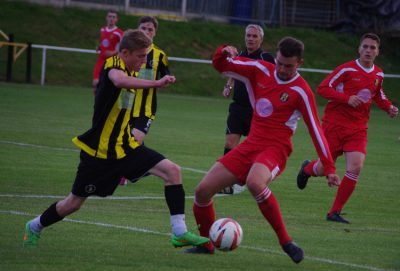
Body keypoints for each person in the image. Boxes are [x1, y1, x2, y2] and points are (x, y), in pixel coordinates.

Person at [23, 29, 209, 249]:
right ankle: (34, 226)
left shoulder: (133, 66)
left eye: (146, 56)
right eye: (140, 56)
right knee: (72, 204)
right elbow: (119, 81)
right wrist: (156, 83)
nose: (143, 61)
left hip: (126, 146)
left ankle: (179, 232)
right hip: (99, 153)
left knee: (173, 171)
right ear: (125, 52)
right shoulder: (113, 65)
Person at [185, 37, 340, 264]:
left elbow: (316, 130)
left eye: (289, 65)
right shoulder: (259, 69)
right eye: (279, 63)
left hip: (276, 149)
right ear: (275, 57)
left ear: (300, 63)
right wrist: (223, 51)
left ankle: (286, 242)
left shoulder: (302, 91)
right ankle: (206, 244)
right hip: (251, 145)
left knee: (255, 182)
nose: (282, 69)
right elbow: (221, 66)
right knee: (202, 191)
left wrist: (329, 167)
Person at [296, 33, 399, 224]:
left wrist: (388, 107)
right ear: (359, 49)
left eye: (373, 48)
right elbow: (323, 89)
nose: (368, 50)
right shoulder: (346, 69)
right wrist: (346, 98)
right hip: (334, 126)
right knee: (322, 168)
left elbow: (378, 94)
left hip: (358, 129)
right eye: (365, 47)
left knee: (356, 166)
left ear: (378, 52)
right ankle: (307, 169)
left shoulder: (378, 73)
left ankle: (334, 212)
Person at [219, 24, 275, 195]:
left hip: (257, 112)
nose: (250, 39)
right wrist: (228, 85)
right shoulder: (241, 56)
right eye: (248, 36)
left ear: (261, 39)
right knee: (230, 143)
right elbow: (234, 73)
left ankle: (254, 177)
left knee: (256, 148)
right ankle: (225, 182)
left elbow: (274, 80)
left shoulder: (266, 58)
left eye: (254, 36)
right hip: (238, 108)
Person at [119, 16, 169, 186]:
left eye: (150, 29)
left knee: (135, 139)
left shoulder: (160, 55)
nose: (146, 32)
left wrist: (167, 80)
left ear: (155, 33)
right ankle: (142, 170)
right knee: (124, 140)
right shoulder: (127, 52)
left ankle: (123, 174)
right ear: (137, 30)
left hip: (146, 108)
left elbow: (165, 74)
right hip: (126, 102)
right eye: (143, 28)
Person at [92, 9, 124, 94]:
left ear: (116, 19)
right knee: (95, 83)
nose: (111, 19)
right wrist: (99, 47)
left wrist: (113, 52)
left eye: (114, 17)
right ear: (106, 18)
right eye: (110, 16)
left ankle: (103, 104)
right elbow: (103, 43)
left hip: (112, 62)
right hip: (101, 60)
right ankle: (97, 104)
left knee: (106, 86)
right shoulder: (102, 30)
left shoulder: (119, 33)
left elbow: (123, 47)